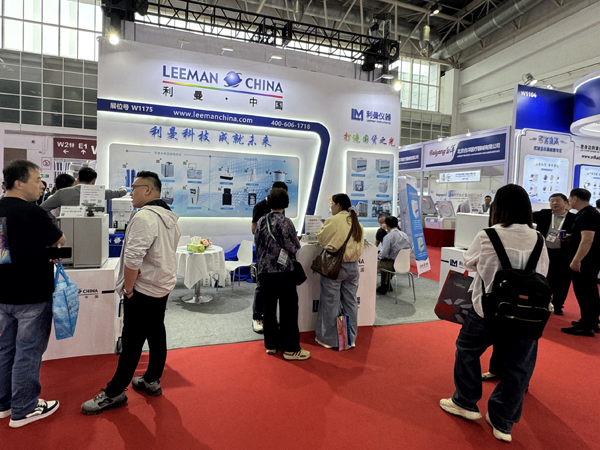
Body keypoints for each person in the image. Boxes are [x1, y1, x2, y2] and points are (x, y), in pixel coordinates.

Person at [439, 184, 549, 443]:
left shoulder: (487, 235)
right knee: (518, 368)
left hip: (486, 311)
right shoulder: (538, 238)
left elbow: (469, 261)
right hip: (527, 315)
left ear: (498, 207)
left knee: (467, 350)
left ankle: (465, 401)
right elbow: (543, 273)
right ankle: (503, 422)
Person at [81, 171, 181, 414]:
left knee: (132, 341)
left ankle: (114, 392)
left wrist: (127, 289)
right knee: (156, 332)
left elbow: (133, 259)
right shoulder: (170, 216)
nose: (131, 192)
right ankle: (151, 379)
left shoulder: (144, 217)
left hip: (143, 289)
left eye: (135, 187)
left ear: (148, 189)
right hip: (161, 286)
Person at [0, 160, 66, 428]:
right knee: (28, 352)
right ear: (19, 183)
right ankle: (25, 408)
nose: (42, 185)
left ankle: (4, 404)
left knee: (5, 349)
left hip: (3, 294)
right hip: (32, 294)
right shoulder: (33, 212)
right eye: (37, 179)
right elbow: (60, 241)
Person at [254, 188, 309, 360]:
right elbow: (294, 247)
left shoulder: (261, 221)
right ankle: (290, 349)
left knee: (268, 310)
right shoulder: (286, 222)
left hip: (265, 271)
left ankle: (270, 345)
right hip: (284, 272)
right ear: (285, 203)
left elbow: (257, 244)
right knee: (288, 310)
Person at [315, 193, 364, 349]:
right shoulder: (356, 221)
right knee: (350, 303)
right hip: (353, 267)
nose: (331, 207)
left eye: (332, 204)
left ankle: (329, 340)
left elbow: (321, 238)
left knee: (330, 302)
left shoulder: (334, 220)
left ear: (338, 205)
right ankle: (350, 339)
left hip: (336, 266)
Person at [560, 188, 600, 337]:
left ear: (575, 198)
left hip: (586, 261)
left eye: (570, 199)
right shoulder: (589, 213)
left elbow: (587, 239)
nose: (569, 202)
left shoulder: (588, 215)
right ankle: (590, 321)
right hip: (590, 259)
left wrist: (577, 260)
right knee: (589, 291)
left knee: (585, 292)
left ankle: (587, 326)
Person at [250, 181, 288, 334]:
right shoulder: (260, 207)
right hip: (265, 255)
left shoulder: (282, 209)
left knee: (275, 289)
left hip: (279, 257)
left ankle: (270, 317)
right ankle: (257, 317)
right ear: (272, 191)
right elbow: (254, 230)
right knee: (261, 286)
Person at [531, 193, 576, 315]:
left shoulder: (573, 218)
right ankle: (542, 302)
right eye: (551, 201)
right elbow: (526, 217)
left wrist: (570, 236)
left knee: (563, 280)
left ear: (565, 203)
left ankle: (558, 304)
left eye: (557, 201)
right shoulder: (544, 214)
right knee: (544, 278)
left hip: (564, 254)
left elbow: (578, 234)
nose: (554, 203)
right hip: (545, 252)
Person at [40, 167, 127, 214]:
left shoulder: (62, 193)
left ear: (78, 179)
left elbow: (41, 209)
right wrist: (124, 187)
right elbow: (119, 193)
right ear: (94, 181)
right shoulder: (99, 192)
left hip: (65, 230)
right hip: (92, 229)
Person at [376, 216, 411, 295]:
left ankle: (383, 285)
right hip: (405, 264)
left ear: (386, 225)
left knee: (378, 262)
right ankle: (386, 284)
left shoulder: (388, 237)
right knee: (384, 261)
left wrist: (378, 256)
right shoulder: (405, 235)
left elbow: (383, 254)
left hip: (392, 265)